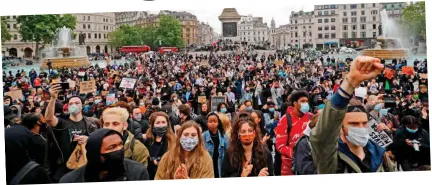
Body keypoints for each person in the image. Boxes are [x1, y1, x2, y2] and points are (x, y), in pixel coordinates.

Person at [310, 56, 395, 173]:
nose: (361, 128)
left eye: (364, 123)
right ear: (340, 127)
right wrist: (349, 84)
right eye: (353, 124)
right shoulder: (331, 157)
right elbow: (322, 137)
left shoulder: (380, 154)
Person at [45, 83, 100, 182]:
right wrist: (53, 98)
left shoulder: (92, 122)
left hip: (86, 165)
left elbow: (99, 142)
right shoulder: (62, 122)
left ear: (82, 106)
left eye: (77, 103)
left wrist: (89, 140)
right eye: (71, 103)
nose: (74, 105)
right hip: (66, 166)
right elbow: (48, 119)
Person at [60, 129, 149, 182]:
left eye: (120, 144)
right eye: (112, 147)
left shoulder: (138, 172)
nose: (119, 149)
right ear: (95, 154)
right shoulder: (70, 180)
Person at [275, 90, 313, 175]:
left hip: (308, 165)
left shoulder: (311, 117)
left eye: (307, 101)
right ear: (295, 103)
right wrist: (297, 155)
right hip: (289, 168)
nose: (306, 104)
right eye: (302, 101)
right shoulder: (285, 119)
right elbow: (280, 146)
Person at [144, 112, 176, 180]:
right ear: (152, 125)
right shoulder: (147, 141)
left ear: (167, 124)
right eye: (158, 123)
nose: (161, 125)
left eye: (163, 122)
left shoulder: (174, 141)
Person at [202, 112, 230, 178]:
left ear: (218, 123)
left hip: (220, 164)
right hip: (207, 165)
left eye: (215, 121)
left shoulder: (224, 136)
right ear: (207, 123)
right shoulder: (203, 136)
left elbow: (228, 151)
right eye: (210, 121)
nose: (212, 123)